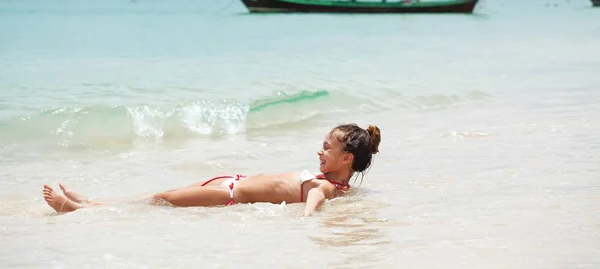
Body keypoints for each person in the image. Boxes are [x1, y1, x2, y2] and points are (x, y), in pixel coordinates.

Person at [43, 123, 381, 217]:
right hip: (231, 181)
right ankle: (92, 203)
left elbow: (312, 209)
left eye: (327, 147)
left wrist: (308, 221)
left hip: (228, 194)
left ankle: (77, 211)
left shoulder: (326, 188)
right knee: (155, 195)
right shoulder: (330, 182)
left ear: (347, 158)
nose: (320, 150)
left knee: (161, 198)